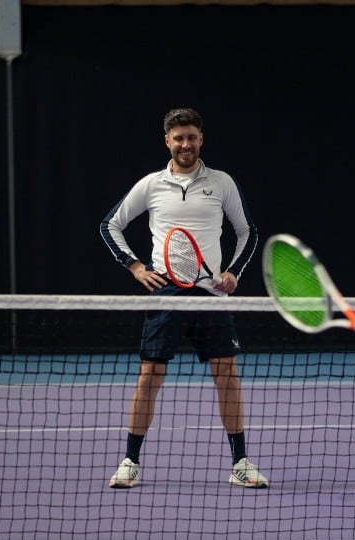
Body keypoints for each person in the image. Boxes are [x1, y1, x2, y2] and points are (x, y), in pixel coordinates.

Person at [99, 107, 268, 489]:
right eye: (179, 138)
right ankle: (130, 461)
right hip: (168, 292)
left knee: (227, 375)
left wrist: (232, 273)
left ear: (201, 139)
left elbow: (248, 232)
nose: (186, 144)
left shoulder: (222, 183)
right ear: (167, 141)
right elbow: (110, 225)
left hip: (211, 294)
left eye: (191, 137)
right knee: (150, 375)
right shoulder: (151, 184)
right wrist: (136, 266)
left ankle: (240, 463)